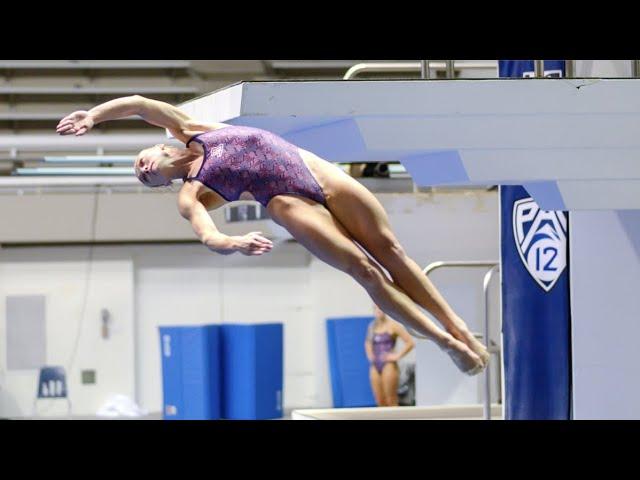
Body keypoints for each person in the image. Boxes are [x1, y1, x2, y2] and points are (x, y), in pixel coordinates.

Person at [56, 95, 489, 375]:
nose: (142, 168)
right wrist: (233, 243)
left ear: (158, 147)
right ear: (159, 185)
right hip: (285, 200)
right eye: (140, 177)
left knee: (390, 251)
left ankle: (459, 327)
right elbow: (207, 235)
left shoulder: (189, 128)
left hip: (313, 170)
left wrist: (93, 115)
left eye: (140, 160)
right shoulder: (190, 195)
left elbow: (137, 103)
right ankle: (445, 342)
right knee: (366, 270)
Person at [365, 305, 415, 406]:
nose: (378, 311)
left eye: (381, 308)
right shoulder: (372, 326)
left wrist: (397, 356)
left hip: (388, 364)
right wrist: (370, 355)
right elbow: (367, 343)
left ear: (385, 310)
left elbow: (410, 342)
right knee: (379, 400)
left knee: (390, 399)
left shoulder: (393, 326)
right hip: (375, 365)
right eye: (376, 308)